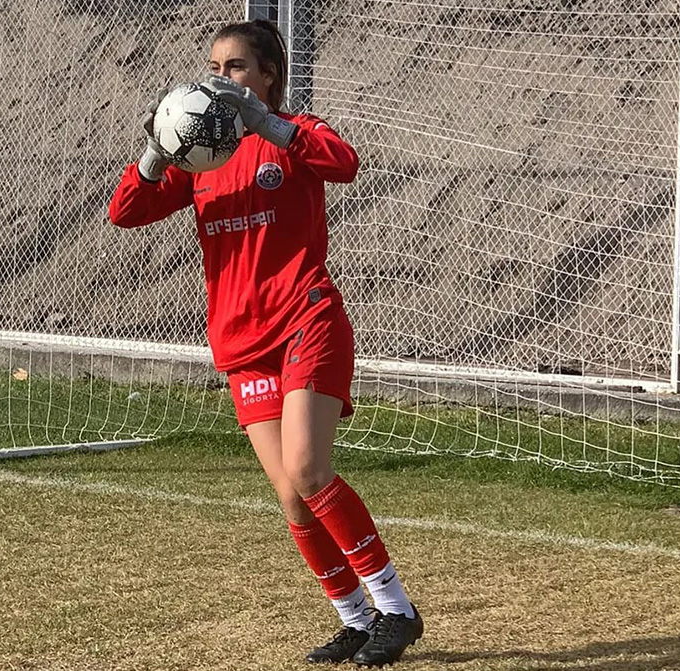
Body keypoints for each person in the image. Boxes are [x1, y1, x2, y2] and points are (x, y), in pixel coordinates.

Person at [108, 19, 423, 667]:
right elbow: (125, 211)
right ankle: (355, 619)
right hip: (242, 342)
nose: (221, 79)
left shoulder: (294, 133)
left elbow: (345, 163)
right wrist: (157, 152)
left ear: (267, 75)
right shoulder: (203, 155)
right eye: (214, 68)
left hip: (306, 319)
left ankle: (396, 609)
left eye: (235, 67)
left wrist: (265, 122)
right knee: (291, 495)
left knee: (309, 469)